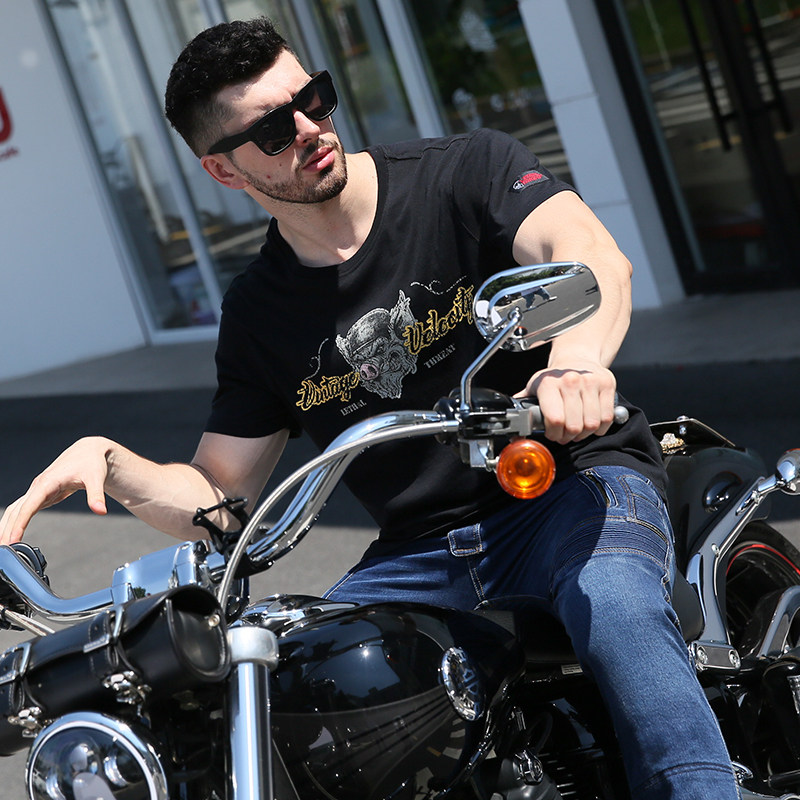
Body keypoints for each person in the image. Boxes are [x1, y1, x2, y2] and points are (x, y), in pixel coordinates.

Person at [0, 17, 741, 800]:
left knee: (617, 607)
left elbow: (589, 255)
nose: (308, 129)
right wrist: (113, 463)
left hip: (566, 487)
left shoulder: (465, 172)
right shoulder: (258, 311)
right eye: (272, 131)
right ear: (222, 170)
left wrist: (576, 364)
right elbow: (222, 493)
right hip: (419, 552)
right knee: (300, 679)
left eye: (312, 99)